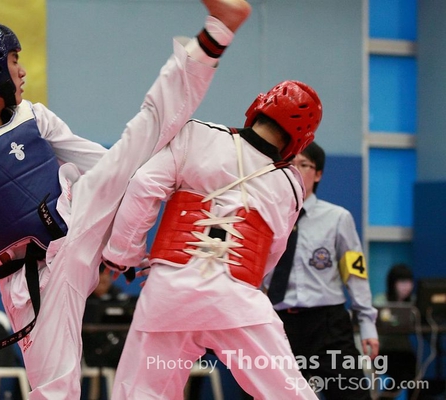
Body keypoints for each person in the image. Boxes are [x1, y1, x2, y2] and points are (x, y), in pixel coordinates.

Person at [0, 1, 252, 399]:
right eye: (14, 60)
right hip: (35, 279)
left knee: (140, 141)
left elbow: (102, 163)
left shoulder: (34, 116)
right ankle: (126, 249)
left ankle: (216, 34)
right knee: (55, 389)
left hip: (77, 222)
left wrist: (149, 178)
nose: (22, 71)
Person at [101, 79, 323, 398]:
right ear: (302, 138)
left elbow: (144, 186)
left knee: (141, 393)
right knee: (288, 393)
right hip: (237, 304)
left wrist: (123, 254)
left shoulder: (197, 135)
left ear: (258, 106)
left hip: (170, 294)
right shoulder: (290, 185)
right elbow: (272, 252)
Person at [263, 141, 379, 400]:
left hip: (328, 324)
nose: (295, 170)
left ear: (318, 174)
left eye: (303, 164)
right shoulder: (267, 216)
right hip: (280, 324)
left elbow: (355, 275)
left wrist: (367, 324)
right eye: (289, 164)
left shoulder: (337, 218)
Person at [374, 263, 417, 400]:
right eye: (402, 282)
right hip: (384, 351)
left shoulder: (415, 303)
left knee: (412, 368)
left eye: (409, 282)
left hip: (405, 351)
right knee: (401, 372)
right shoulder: (381, 300)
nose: (406, 286)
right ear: (393, 283)